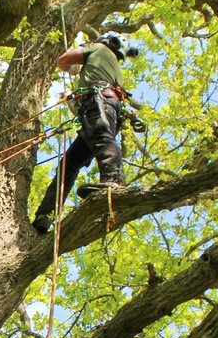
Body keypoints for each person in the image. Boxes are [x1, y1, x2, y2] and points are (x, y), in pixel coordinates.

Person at [31, 31, 145, 234]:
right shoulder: (113, 70)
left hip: (98, 103)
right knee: (69, 164)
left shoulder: (99, 49)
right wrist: (71, 99)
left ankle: (115, 181)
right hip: (101, 109)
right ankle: (45, 215)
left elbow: (64, 60)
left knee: (101, 136)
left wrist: (76, 61)